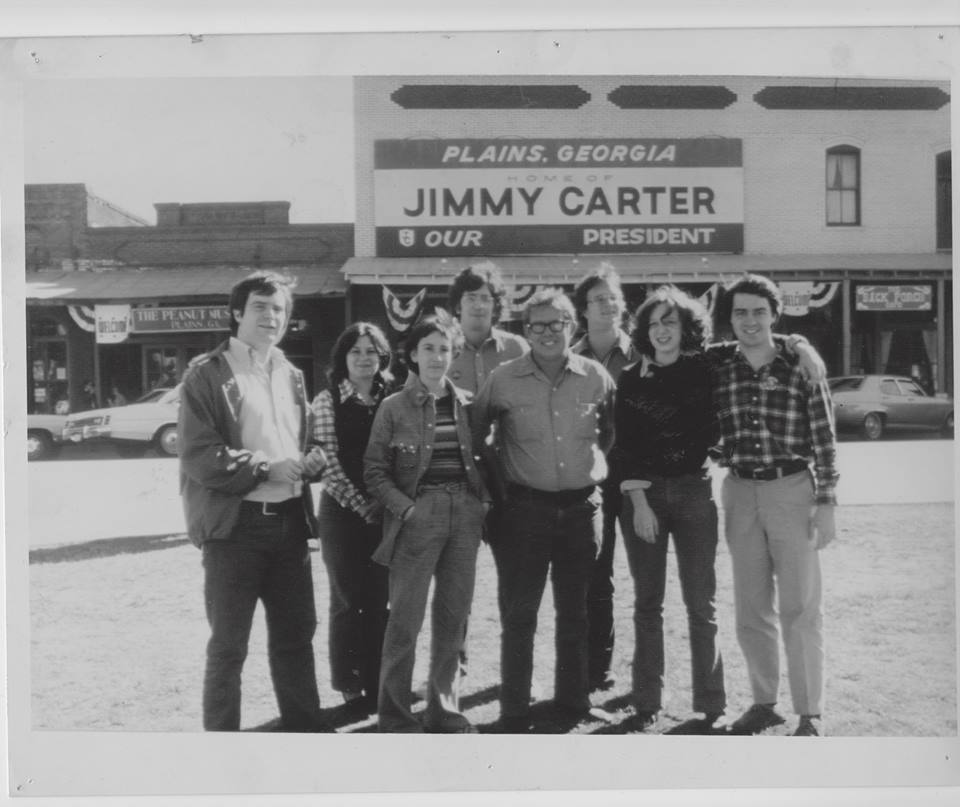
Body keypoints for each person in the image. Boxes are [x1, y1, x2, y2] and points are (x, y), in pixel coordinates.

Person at [177, 271, 330, 732]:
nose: (272, 316)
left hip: (289, 525)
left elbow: (292, 444)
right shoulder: (207, 373)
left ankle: (304, 730)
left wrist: (309, 461)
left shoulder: (291, 373)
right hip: (235, 529)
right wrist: (264, 468)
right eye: (261, 306)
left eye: (279, 308)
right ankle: (223, 745)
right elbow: (198, 454)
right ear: (238, 313)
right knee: (228, 645)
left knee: (295, 637)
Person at [472, 288, 616, 732]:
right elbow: (476, 441)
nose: (548, 333)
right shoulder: (502, 378)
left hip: (579, 511)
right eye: (538, 326)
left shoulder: (596, 377)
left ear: (571, 327)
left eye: (557, 324)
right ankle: (514, 707)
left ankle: (573, 701)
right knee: (520, 614)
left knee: (575, 611)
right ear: (526, 330)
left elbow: (608, 434)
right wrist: (498, 496)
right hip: (523, 512)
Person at [712, 273, 839, 737]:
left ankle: (810, 711)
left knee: (801, 605)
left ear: (774, 315)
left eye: (759, 312)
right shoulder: (719, 364)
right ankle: (764, 701)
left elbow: (825, 439)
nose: (750, 321)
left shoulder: (801, 365)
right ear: (730, 318)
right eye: (741, 312)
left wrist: (826, 502)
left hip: (792, 489)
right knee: (750, 606)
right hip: (740, 490)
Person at [364, 313, 490, 733]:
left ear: (453, 354)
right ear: (412, 355)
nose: (437, 357)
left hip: (465, 516)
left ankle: (444, 712)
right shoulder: (392, 407)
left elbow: (488, 458)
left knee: (454, 620)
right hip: (418, 516)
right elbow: (375, 471)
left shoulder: (470, 403)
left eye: (444, 349)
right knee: (404, 621)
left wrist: (481, 504)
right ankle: (396, 718)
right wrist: (407, 509)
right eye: (428, 348)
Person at [608, 286, 726, 732]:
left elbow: (754, 345)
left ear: (686, 328)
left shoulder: (706, 368)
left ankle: (711, 702)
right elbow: (626, 448)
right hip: (647, 496)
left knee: (701, 603)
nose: (661, 331)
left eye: (670, 322)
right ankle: (646, 700)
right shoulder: (632, 379)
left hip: (696, 493)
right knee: (648, 602)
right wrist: (638, 503)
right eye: (654, 323)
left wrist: (799, 342)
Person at [311, 323, 394, 715]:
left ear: (383, 357)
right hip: (342, 514)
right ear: (343, 357)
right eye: (356, 351)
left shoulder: (392, 396)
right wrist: (363, 506)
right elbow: (327, 463)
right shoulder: (326, 400)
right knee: (348, 598)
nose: (364, 358)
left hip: (387, 515)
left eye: (371, 351)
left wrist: (387, 505)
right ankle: (349, 682)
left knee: (381, 598)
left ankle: (379, 680)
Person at [570, 263, 638, 693]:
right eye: (598, 299)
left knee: (649, 582)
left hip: (638, 479)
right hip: (589, 481)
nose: (607, 305)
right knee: (596, 576)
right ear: (583, 309)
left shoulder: (643, 352)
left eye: (613, 297)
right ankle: (598, 668)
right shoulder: (569, 358)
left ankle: (649, 678)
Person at [447, 261, 528, 395]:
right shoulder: (441, 348)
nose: (479, 305)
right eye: (471, 298)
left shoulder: (516, 348)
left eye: (485, 299)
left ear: (495, 307)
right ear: (458, 305)